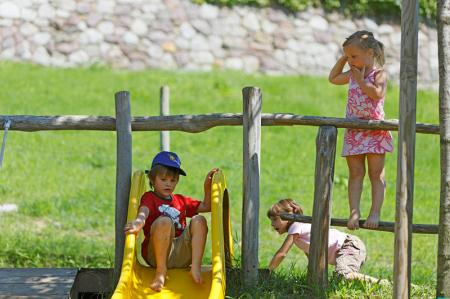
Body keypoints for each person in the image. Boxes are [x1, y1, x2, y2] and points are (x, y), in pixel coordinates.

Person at [124, 150, 218, 292]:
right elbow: (143, 212)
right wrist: (138, 222)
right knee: (165, 222)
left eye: (173, 180)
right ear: (152, 179)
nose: (168, 184)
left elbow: (207, 206)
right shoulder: (149, 197)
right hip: (156, 254)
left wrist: (207, 187)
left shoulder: (180, 200)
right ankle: (161, 272)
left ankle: (196, 266)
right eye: (163, 180)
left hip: (181, 254)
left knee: (199, 219)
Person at [328, 30, 393, 230]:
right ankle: (354, 212)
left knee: (376, 174)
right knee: (355, 173)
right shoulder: (352, 73)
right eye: (348, 57)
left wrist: (361, 80)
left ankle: (375, 212)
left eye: (354, 56)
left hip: (374, 131)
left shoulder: (379, 74)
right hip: (354, 129)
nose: (350, 60)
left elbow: (376, 93)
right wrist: (344, 59)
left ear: (370, 54)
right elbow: (333, 78)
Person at [267, 198, 382, 283]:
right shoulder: (300, 230)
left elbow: (282, 253)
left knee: (343, 276)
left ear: (288, 217)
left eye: (275, 219)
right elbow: (311, 254)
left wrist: (268, 271)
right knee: (340, 278)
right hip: (348, 246)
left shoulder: (296, 227)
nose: (272, 224)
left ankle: (381, 283)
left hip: (348, 245)